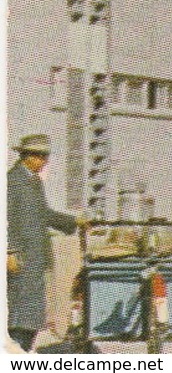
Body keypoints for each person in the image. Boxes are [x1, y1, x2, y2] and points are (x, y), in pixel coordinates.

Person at [7, 135, 79, 352]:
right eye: (41, 156)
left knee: (32, 314)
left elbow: (43, 214)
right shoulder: (12, 181)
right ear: (27, 156)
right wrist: (9, 251)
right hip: (20, 257)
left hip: (36, 256)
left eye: (46, 156)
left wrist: (73, 222)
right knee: (20, 313)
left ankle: (23, 351)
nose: (45, 161)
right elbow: (5, 218)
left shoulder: (34, 181)